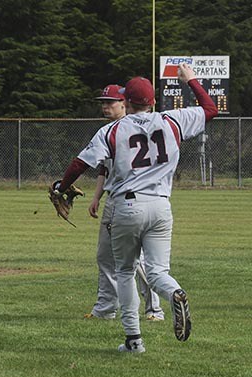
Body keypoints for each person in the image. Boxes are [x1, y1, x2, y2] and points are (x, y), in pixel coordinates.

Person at [52, 63, 218, 352]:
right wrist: (190, 79)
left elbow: (80, 164)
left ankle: (134, 340)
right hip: (161, 206)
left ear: (126, 102)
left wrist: (62, 187)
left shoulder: (112, 130)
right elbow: (209, 108)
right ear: (153, 101)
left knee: (125, 271)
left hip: (127, 206)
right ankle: (174, 291)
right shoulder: (172, 121)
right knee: (157, 271)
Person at [84, 85, 165, 322]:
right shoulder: (110, 131)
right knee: (105, 256)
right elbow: (103, 168)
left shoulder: (133, 130)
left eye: (111, 102)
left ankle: (153, 308)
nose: (105, 106)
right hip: (114, 197)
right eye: (103, 102)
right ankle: (106, 308)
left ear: (125, 103)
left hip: (133, 199)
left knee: (133, 260)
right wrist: (97, 196)